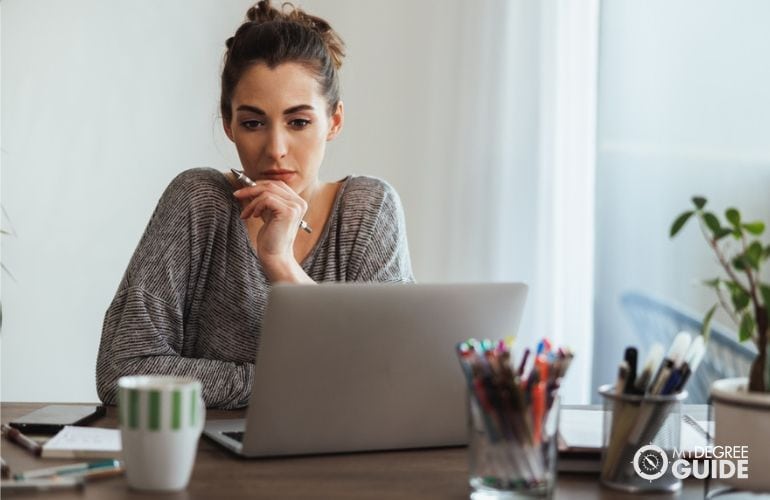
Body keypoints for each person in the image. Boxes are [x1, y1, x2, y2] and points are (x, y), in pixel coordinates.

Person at [95, 0, 414, 409]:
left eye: (298, 122)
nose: (276, 150)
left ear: (334, 121)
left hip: (338, 463)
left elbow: (393, 372)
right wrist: (287, 382)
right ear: (228, 124)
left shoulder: (368, 211)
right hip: (209, 463)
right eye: (253, 123)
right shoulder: (198, 201)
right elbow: (122, 370)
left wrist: (281, 263)